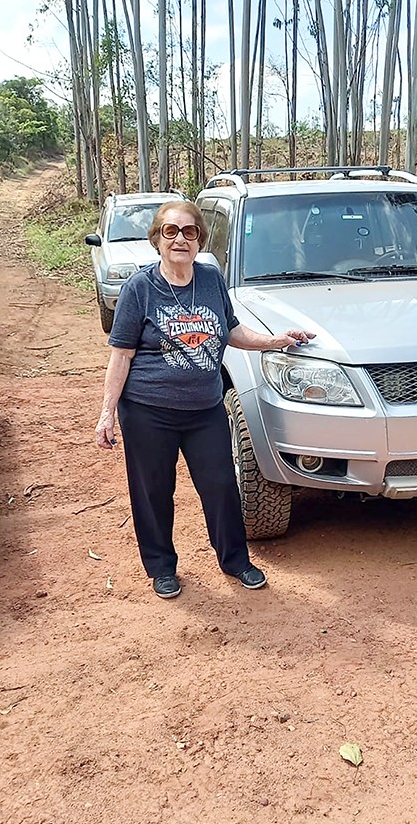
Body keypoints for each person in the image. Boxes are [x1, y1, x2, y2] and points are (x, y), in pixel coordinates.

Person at [95, 200, 312, 599]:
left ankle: (236, 561)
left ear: (199, 240)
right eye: (171, 231)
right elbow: (121, 354)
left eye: (189, 231)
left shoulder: (211, 279)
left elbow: (230, 330)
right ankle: (161, 568)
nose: (180, 239)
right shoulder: (140, 289)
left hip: (205, 408)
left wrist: (273, 341)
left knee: (221, 485)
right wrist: (107, 413)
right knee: (153, 492)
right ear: (157, 240)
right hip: (147, 411)